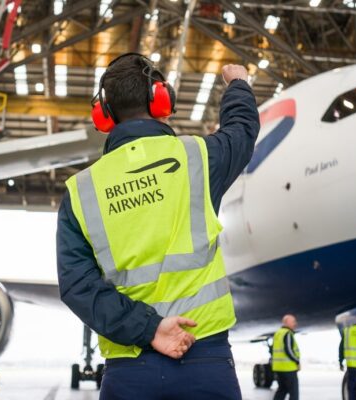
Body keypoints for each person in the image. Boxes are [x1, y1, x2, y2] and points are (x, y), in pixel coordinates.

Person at [56, 52, 259, 399]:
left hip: (130, 368)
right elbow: (241, 130)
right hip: (204, 358)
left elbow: (78, 287)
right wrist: (238, 85)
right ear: (161, 100)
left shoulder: (81, 192)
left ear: (103, 114)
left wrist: (149, 329)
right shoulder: (199, 157)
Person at [272, 314, 300, 400]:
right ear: (286, 322)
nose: (295, 324)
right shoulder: (287, 333)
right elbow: (288, 350)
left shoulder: (278, 333)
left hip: (278, 368)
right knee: (294, 393)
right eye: (293, 322)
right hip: (288, 369)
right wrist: (297, 361)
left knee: (282, 390)